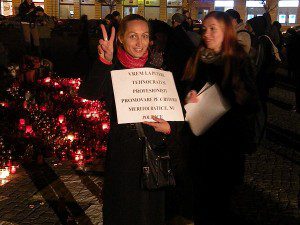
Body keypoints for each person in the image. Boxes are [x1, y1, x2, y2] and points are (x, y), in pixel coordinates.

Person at [79, 14, 174, 225]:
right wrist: (104, 61)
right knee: (123, 210)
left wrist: (170, 128)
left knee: (151, 212)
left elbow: (175, 110)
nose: (140, 43)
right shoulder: (113, 66)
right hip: (123, 153)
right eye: (133, 36)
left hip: (154, 150)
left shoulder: (160, 68)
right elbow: (89, 93)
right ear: (121, 38)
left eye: (144, 36)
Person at [183, 11, 259, 225]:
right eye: (203, 29)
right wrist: (189, 95)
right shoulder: (198, 57)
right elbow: (187, 85)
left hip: (226, 146)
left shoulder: (239, 61)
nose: (206, 33)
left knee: (220, 204)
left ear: (226, 31)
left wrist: (235, 94)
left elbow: (253, 103)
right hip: (199, 142)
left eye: (213, 28)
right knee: (200, 199)